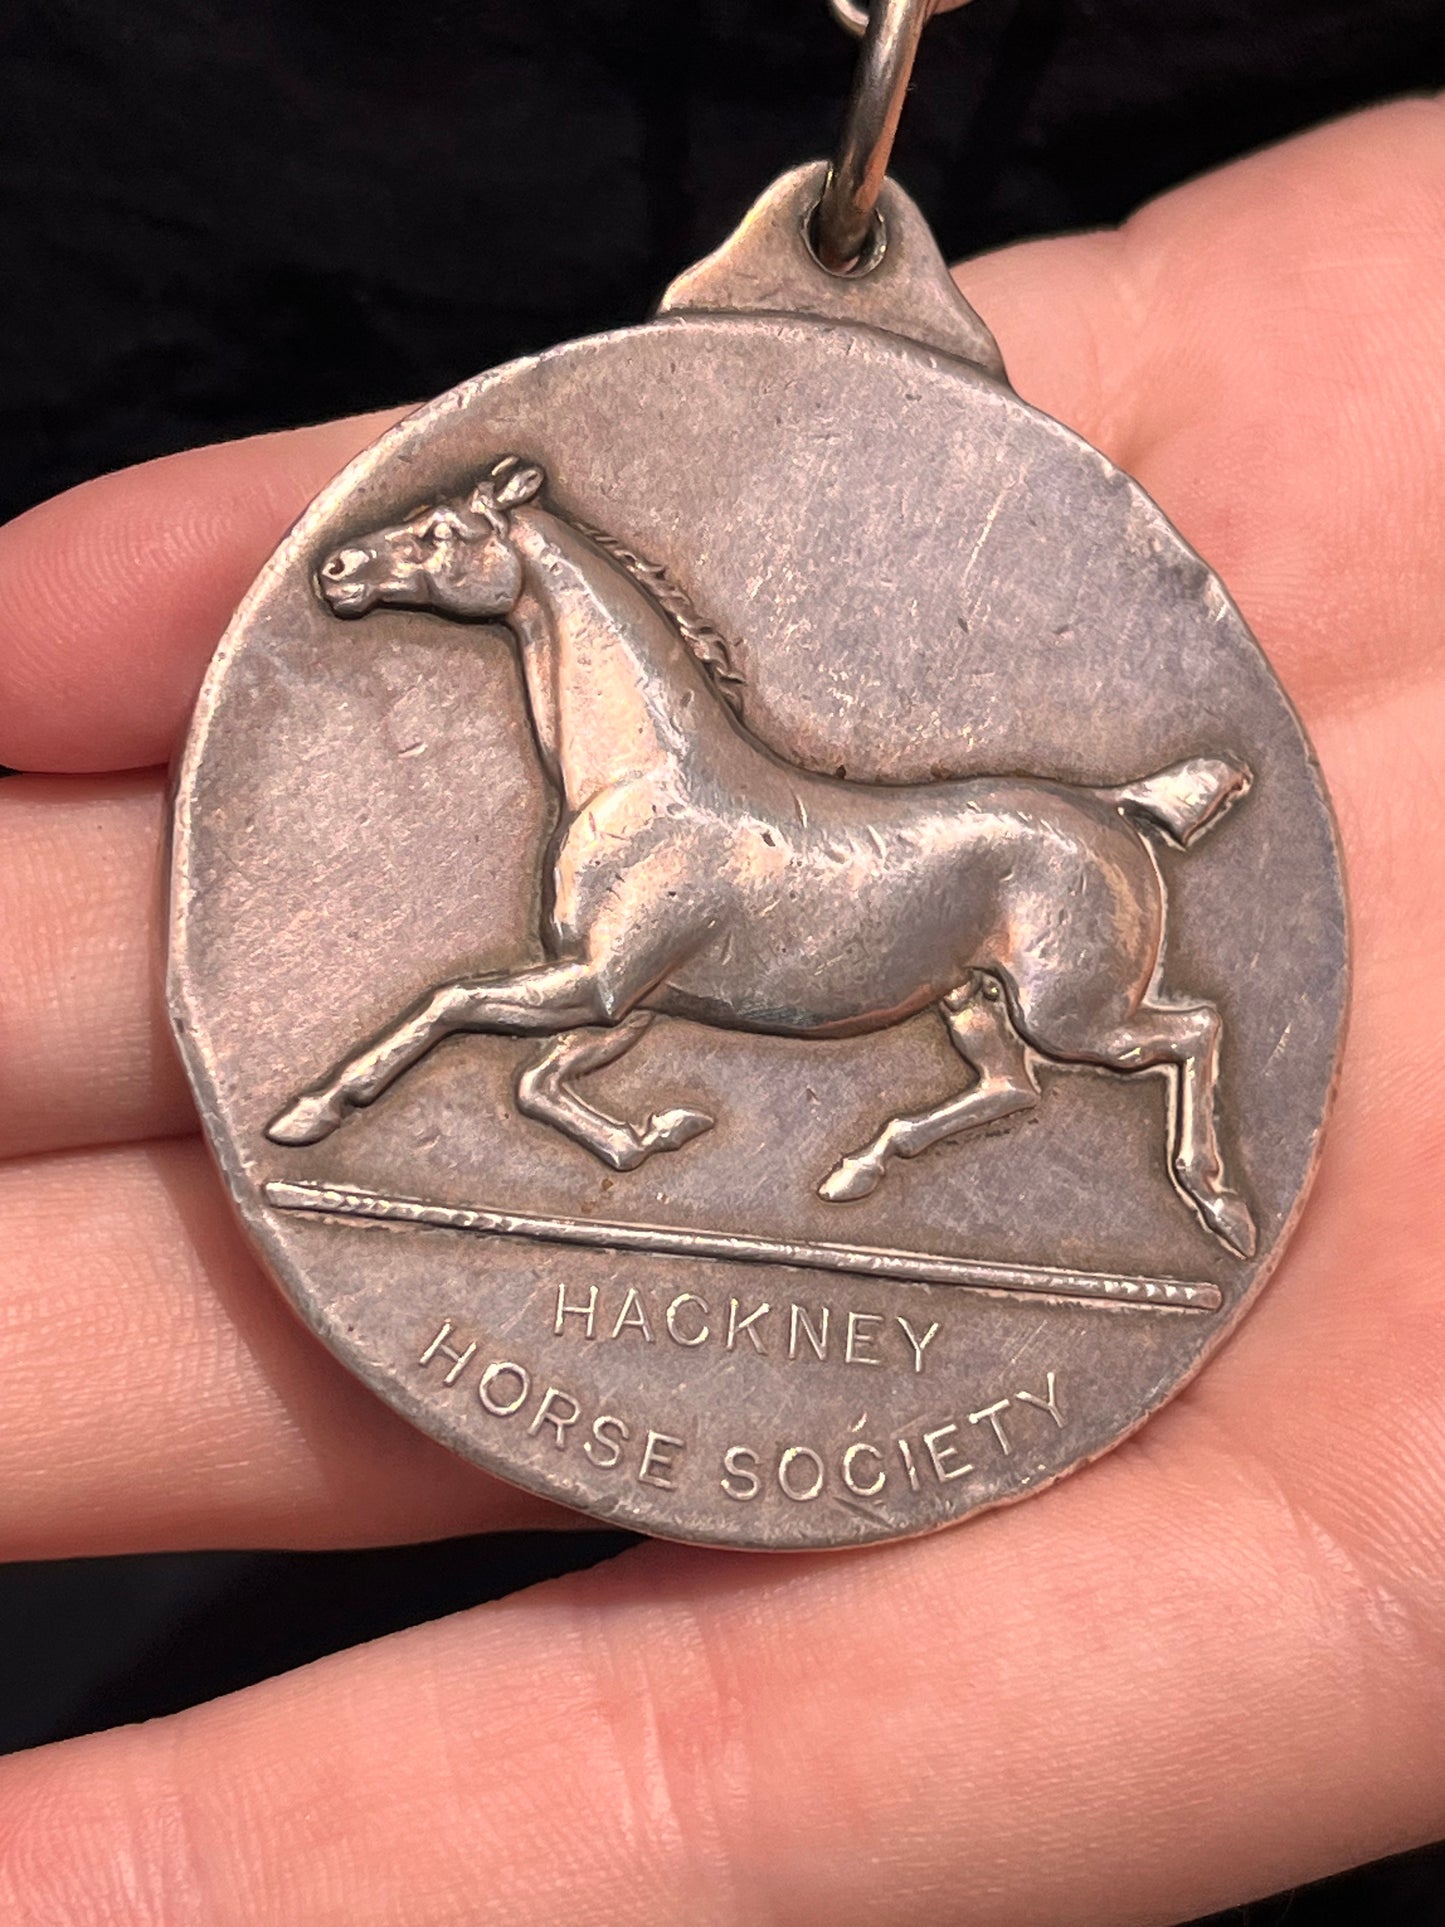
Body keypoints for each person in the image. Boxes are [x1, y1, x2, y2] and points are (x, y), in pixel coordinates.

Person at [0, 95, 1441, 1927]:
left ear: (515, 559)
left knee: (1059, 1036)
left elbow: (584, 986)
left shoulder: (707, 845)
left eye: (436, 560)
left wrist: (405, 1043)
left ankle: (1166, 1108)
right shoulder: (641, 794)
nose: (396, 576)